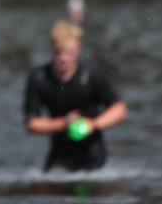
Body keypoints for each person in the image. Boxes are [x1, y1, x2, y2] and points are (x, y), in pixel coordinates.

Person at [24, 20, 127, 172]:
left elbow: (120, 109)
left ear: (78, 50)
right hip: (59, 152)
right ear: (52, 49)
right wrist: (64, 123)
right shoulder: (39, 78)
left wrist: (93, 124)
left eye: (69, 52)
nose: (63, 58)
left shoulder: (91, 75)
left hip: (93, 153)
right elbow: (32, 124)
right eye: (59, 52)